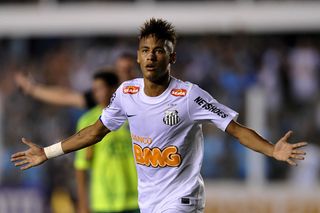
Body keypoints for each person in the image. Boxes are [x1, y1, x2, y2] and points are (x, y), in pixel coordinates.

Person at [11, 18, 307, 213]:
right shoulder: (126, 94)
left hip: (183, 198)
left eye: (159, 51)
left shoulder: (189, 96)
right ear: (138, 56)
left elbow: (236, 129)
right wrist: (47, 152)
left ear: (172, 57)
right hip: (148, 202)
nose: (151, 56)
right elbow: (94, 131)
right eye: (145, 50)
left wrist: (272, 150)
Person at [74, 71, 139, 213]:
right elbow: (81, 166)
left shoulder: (133, 116)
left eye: (100, 88)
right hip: (103, 201)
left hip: (136, 199)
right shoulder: (88, 121)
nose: (96, 93)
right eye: (94, 89)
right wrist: (83, 204)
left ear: (113, 89)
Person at [14, 52, 137, 110]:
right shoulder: (108, 97)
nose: (124, 75)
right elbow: (66, 97)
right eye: (120, 70)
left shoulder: (148, 93)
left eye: (128, 70)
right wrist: (32, 89)